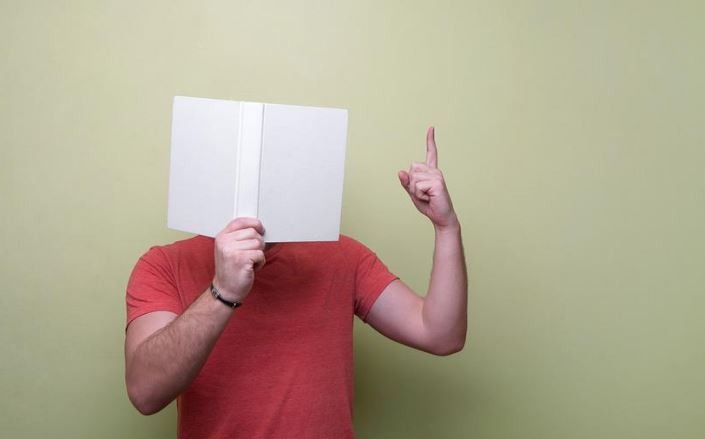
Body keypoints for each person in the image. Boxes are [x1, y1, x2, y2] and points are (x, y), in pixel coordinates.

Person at [124, 126, 468, 438]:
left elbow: (441, 335)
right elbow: (145, 392)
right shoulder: (162, 265)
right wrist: (222, 292)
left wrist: (446, 227)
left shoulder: (344, 256)